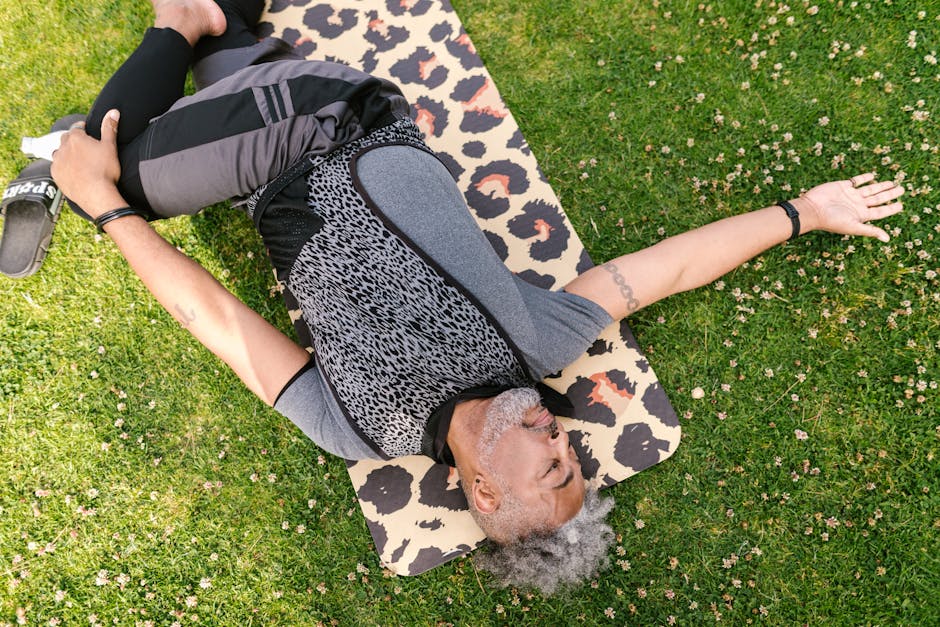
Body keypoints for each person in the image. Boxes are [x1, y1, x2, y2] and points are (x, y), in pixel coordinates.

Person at [50, 0, 904, 593]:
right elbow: (666, 268)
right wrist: (802, 213)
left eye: (555, 466)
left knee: (140, 139)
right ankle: (177, 31)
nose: (562, 434)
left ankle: (212, 29)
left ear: (486, 493)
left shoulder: (358, 431)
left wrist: (113, 218)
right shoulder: (538, 344)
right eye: (574, 453)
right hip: (335, 121)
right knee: (102, 159)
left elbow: (217, 319)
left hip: (266, 177)